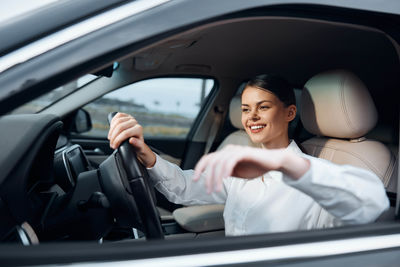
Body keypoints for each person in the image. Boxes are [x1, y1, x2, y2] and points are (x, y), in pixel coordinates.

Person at [108, 74, 389, 236]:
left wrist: (285, 164)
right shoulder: (243, 165)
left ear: (290, 113)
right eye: (245, 109)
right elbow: (185, 188)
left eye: (263, 107)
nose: (251, 116)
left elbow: (371, 203)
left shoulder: (312, 177)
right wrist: (148, 157)